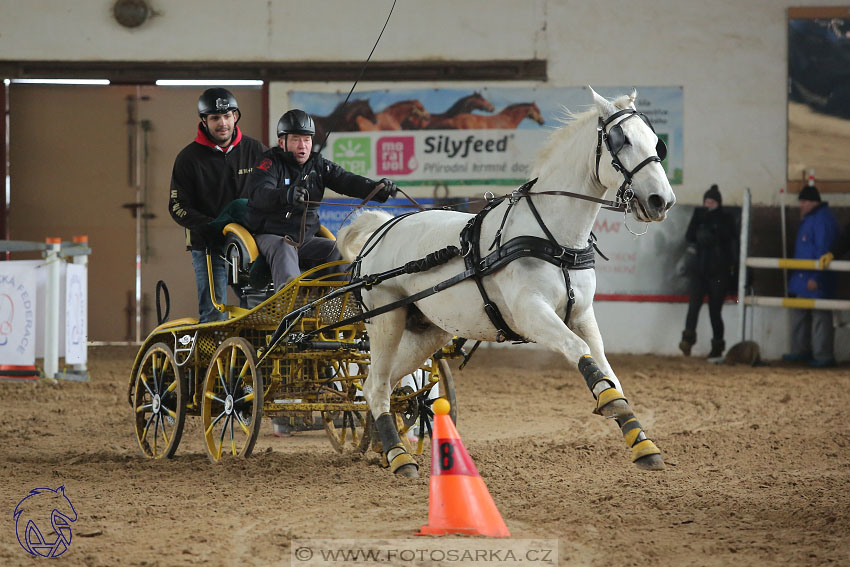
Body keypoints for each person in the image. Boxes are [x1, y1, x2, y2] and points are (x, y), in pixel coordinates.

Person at [244, 109, 398, 291]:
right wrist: (286, 195)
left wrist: (377, 188)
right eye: (296, 139)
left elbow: (346, 180)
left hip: (307, 239)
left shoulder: (318, 164)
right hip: (270, 236)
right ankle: (290, 305)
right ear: (281, 142)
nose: (303, 145)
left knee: (337, 250)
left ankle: (349, 300)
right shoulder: (269, 162)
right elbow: (258, 193)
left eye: (307, 139)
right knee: (283, 247)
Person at [168, 88, 267, 322]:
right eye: (215, 118)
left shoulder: (257, 150)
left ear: (235, 116)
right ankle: (211, 357)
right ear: (204, 121)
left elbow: (271, 192)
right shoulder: (188, 159)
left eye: (227, 115)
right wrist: (211, 226)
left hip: (250, 244)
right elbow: (177, 205)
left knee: (258, 311)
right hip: (208, 245)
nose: (222, 123)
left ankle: (250, 355)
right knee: (213, 312)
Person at [678, 184, 738, 361]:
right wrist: (700, 233)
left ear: (718, 203)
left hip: (719, 272)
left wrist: (713, 234)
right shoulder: (700, 216)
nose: (708, 204)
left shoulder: (726, 219)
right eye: (706, 201)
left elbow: (730, 241)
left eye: (711, 201)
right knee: (693, 307)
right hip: (700, 270)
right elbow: (689, 236)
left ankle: (717, 347)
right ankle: (687, 341)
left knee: (714, 311)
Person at [782, 185, 840, 367]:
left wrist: (817, 277)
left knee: (820, 316)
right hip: (804, 277)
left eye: (804, 201)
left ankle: (822, 354)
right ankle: (802, 350)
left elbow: (823, 250)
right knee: (802, 313)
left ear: (814, 202)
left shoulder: (821, 221)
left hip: (812, 278)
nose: (801, 205)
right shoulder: (813, 219)